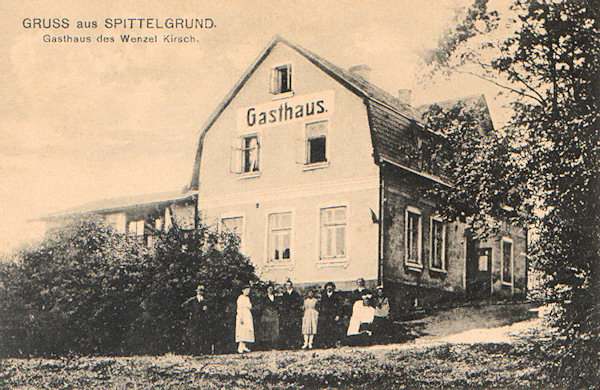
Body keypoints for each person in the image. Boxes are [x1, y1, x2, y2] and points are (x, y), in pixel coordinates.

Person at [185, 284, 213, 355]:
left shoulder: (205, 300)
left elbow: (210, 310)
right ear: (197, 292)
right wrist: (190, 313)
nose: (200, 292)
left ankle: (202, 352)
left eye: (201, 291)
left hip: (203, 320)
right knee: (194, 336)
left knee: (202, 335)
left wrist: (206, 309)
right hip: (194, 320)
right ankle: (194, 352)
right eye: (199, 291)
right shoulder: (193, 300)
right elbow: (184, 306)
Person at [317, 282, 342, 348]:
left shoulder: (336, 296)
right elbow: (321, 306)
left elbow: (339, 306)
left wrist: (337, 315)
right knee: (325, 329)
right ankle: (326, 344)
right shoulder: (324, 295)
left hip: (333, 315)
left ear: (333, 288)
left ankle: (333, 343)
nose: (329, 288)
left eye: (330, 287)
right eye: (327, 287)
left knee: (333, 329)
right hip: (325, 315)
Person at [279, 279, 302, 349]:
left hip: (293, 313)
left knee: (294, 328)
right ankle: (288, 344)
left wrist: (293, 308)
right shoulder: (284, 294)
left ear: (292, 286)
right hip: (287, 314)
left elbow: (298, 303)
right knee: (287, 328)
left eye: (289, 285)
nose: (288, 286)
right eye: (287, 285)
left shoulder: (295, 294)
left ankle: (294, 344)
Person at [258, 283, 280, 350]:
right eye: (269, 289)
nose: (270, 290)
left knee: (274, 329)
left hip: (274, 315)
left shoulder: (275, 297)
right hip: (267, 315)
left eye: (271, 289)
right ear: (267, 290)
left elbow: (277, 306)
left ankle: (274, 345)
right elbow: (262, 306)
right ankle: (267, 346)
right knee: (267, 329)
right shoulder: (264, 298)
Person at [235, 285, 254, 353]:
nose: (247, 292)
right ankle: (240, 347)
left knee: (247, 330)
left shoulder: (247, 298)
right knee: (242, 330)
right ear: (243, 290)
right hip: (242, 315)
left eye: (248, 291)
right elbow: (239, 308)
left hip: (247, 315)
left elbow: (250, 306)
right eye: (246, 290)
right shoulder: (240, 298)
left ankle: (244, 346)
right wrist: (241, 318)